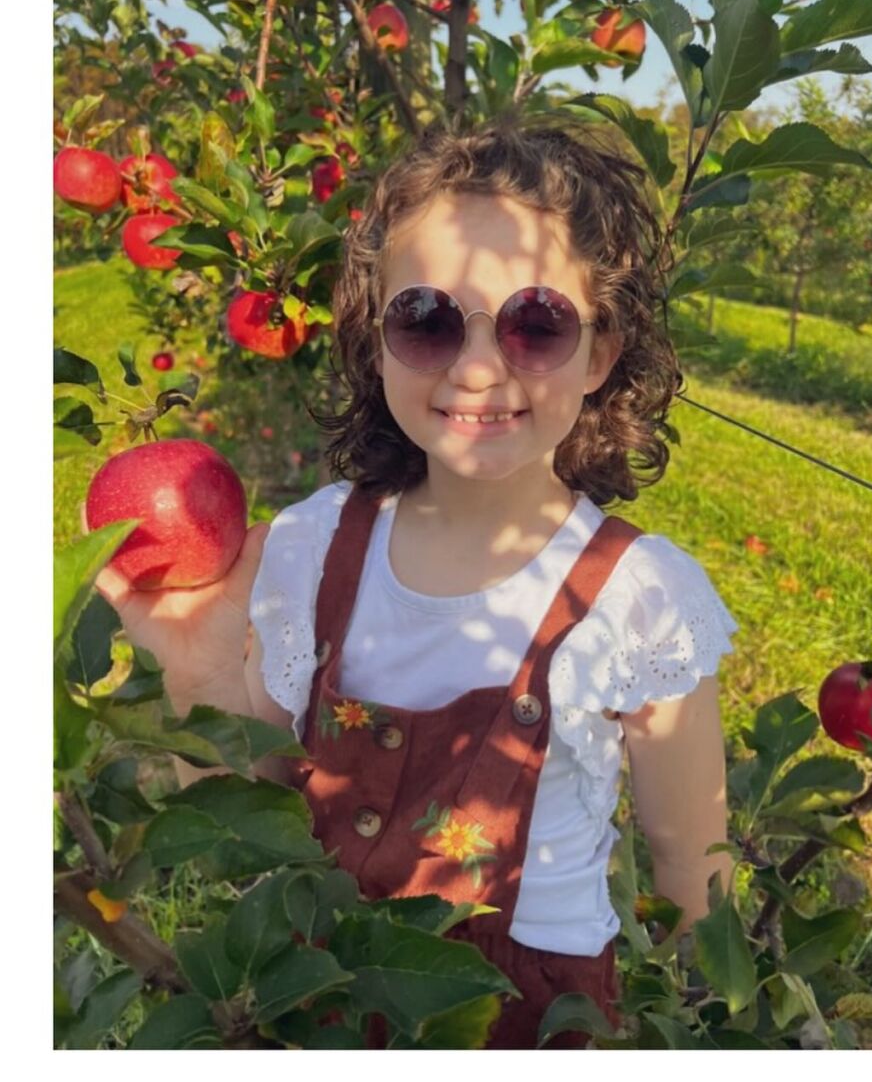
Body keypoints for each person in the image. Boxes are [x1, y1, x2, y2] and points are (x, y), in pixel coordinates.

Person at [97, 114, 738, 1049]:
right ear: (378, 336)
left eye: (536, 323)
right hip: (314, 990)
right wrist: (196, 685)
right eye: (429, 319)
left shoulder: (638, 597)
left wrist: (693, 1022)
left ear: (601, 353)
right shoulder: (315, 545)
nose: (479, 367)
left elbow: (692, 864)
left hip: (532, 1020)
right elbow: (265, 794)